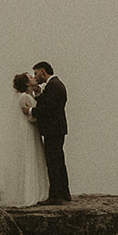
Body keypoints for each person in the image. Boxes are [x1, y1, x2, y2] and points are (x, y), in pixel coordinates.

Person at [0, 71, 47, 206]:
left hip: (31, 130)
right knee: (30, 157)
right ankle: (30, 194)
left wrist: (37, 95)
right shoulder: (23, 98)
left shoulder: (28, 96)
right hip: (29, 131)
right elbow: (31, 117)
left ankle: (35, 192)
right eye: (31, 77)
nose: (34, 78)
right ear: (27, 83)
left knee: (34, 157)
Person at [30, 61, 70, 204]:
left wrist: (30, 111)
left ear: (42, 71)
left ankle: (55, 196)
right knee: (58, 161)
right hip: (57, 129)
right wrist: (39, 95)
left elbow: (48, 108)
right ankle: (64, 193)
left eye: (36, 73)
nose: (35, 76)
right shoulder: (56, 85)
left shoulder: (54, 86)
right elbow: (49, 103)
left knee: (53, 162)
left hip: (53, 130)